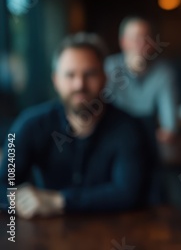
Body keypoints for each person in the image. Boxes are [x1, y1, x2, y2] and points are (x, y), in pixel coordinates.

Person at [0, 33, 145, 218]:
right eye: (70, 75)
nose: (79, 84)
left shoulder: (129, 128)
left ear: (105, 77)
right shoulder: (29, 124)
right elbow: (3, 183)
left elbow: (129, 194)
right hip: (44, 238)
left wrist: (59, 200)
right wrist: (17, 199)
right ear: (56, 80)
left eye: (89, 74)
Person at [105, 16, 178, 204]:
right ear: (123, 42)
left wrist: (164, 133)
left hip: (147, 140)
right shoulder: (109, 67)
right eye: (135, 37)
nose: (141, 43)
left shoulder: (164, 71)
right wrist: (127, 72)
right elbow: (99, 108)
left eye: (146, 38)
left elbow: (170, 125)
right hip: (111, 139)